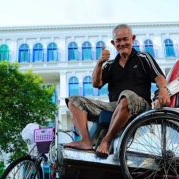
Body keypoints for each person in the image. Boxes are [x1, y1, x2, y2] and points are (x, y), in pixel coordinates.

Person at [64, 23, 170, 158]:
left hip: (140, 104)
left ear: (133, 39)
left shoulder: (143, 57)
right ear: (113, 43)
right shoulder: (109, 65)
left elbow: (159, 76)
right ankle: (86, 141)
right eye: (118, 41)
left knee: (126, 95)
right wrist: (99, 63)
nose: (122, 43)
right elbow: (96, 84)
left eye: (125, 39)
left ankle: (106, 141)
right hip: (115, 106)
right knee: (74, 100)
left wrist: (163, 90)